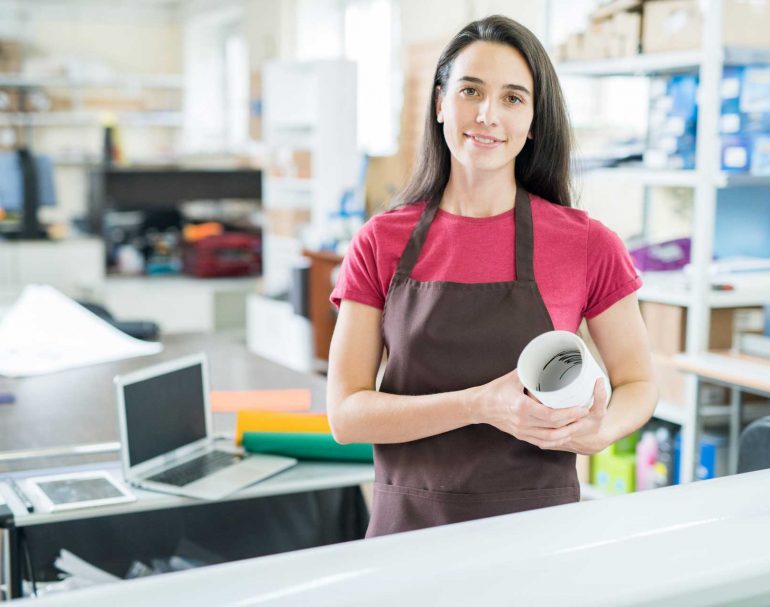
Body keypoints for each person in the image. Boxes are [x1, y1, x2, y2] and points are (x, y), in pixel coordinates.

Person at [326, 14, 657, 537]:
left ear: (532, 120)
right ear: (440, 103)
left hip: (538, 535)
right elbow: (346, 415)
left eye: (512, 98)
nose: (487, 114)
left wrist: (601, 430)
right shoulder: (380, 241)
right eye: (470, 91)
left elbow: (638, 383)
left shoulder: (586, 243)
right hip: (408, 535)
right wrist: (480, 405)